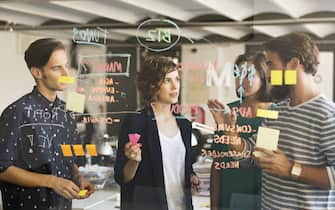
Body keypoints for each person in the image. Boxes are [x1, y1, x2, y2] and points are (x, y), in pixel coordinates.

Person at [220, 32, 335, 209]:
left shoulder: (327, 115)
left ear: (293, 64)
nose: (267, 73)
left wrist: (291, 168)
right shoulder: (276, 111)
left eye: (271, 64)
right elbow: (256, 156)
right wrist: (231, 133)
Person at [0, 38, 94, 210]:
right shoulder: (17, 112)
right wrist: (51, 181)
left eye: (66, 66)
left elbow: (66, 158)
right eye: (57, 68)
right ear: (37, 72)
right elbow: (2, 168)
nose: (66, 75)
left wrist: (77, 176)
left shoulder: (66, 113)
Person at [114, 56, 201, 210]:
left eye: (177, 79)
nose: (175, 86)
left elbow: (181, 167)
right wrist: (134, 160)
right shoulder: (136, 122)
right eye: (168, 80)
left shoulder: (184, 125)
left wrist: (191, 176)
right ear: (152, 85)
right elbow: (122, 177)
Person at [208, 52, 271, 209]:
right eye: (237, 74)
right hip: (228, 198)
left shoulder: (275, 114)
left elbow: (262, 160)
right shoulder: (227, 111)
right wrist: (214, 205)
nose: (241, 80)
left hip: (264, 200)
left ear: (263, 77)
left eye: (248, 75)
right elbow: (218, 162)